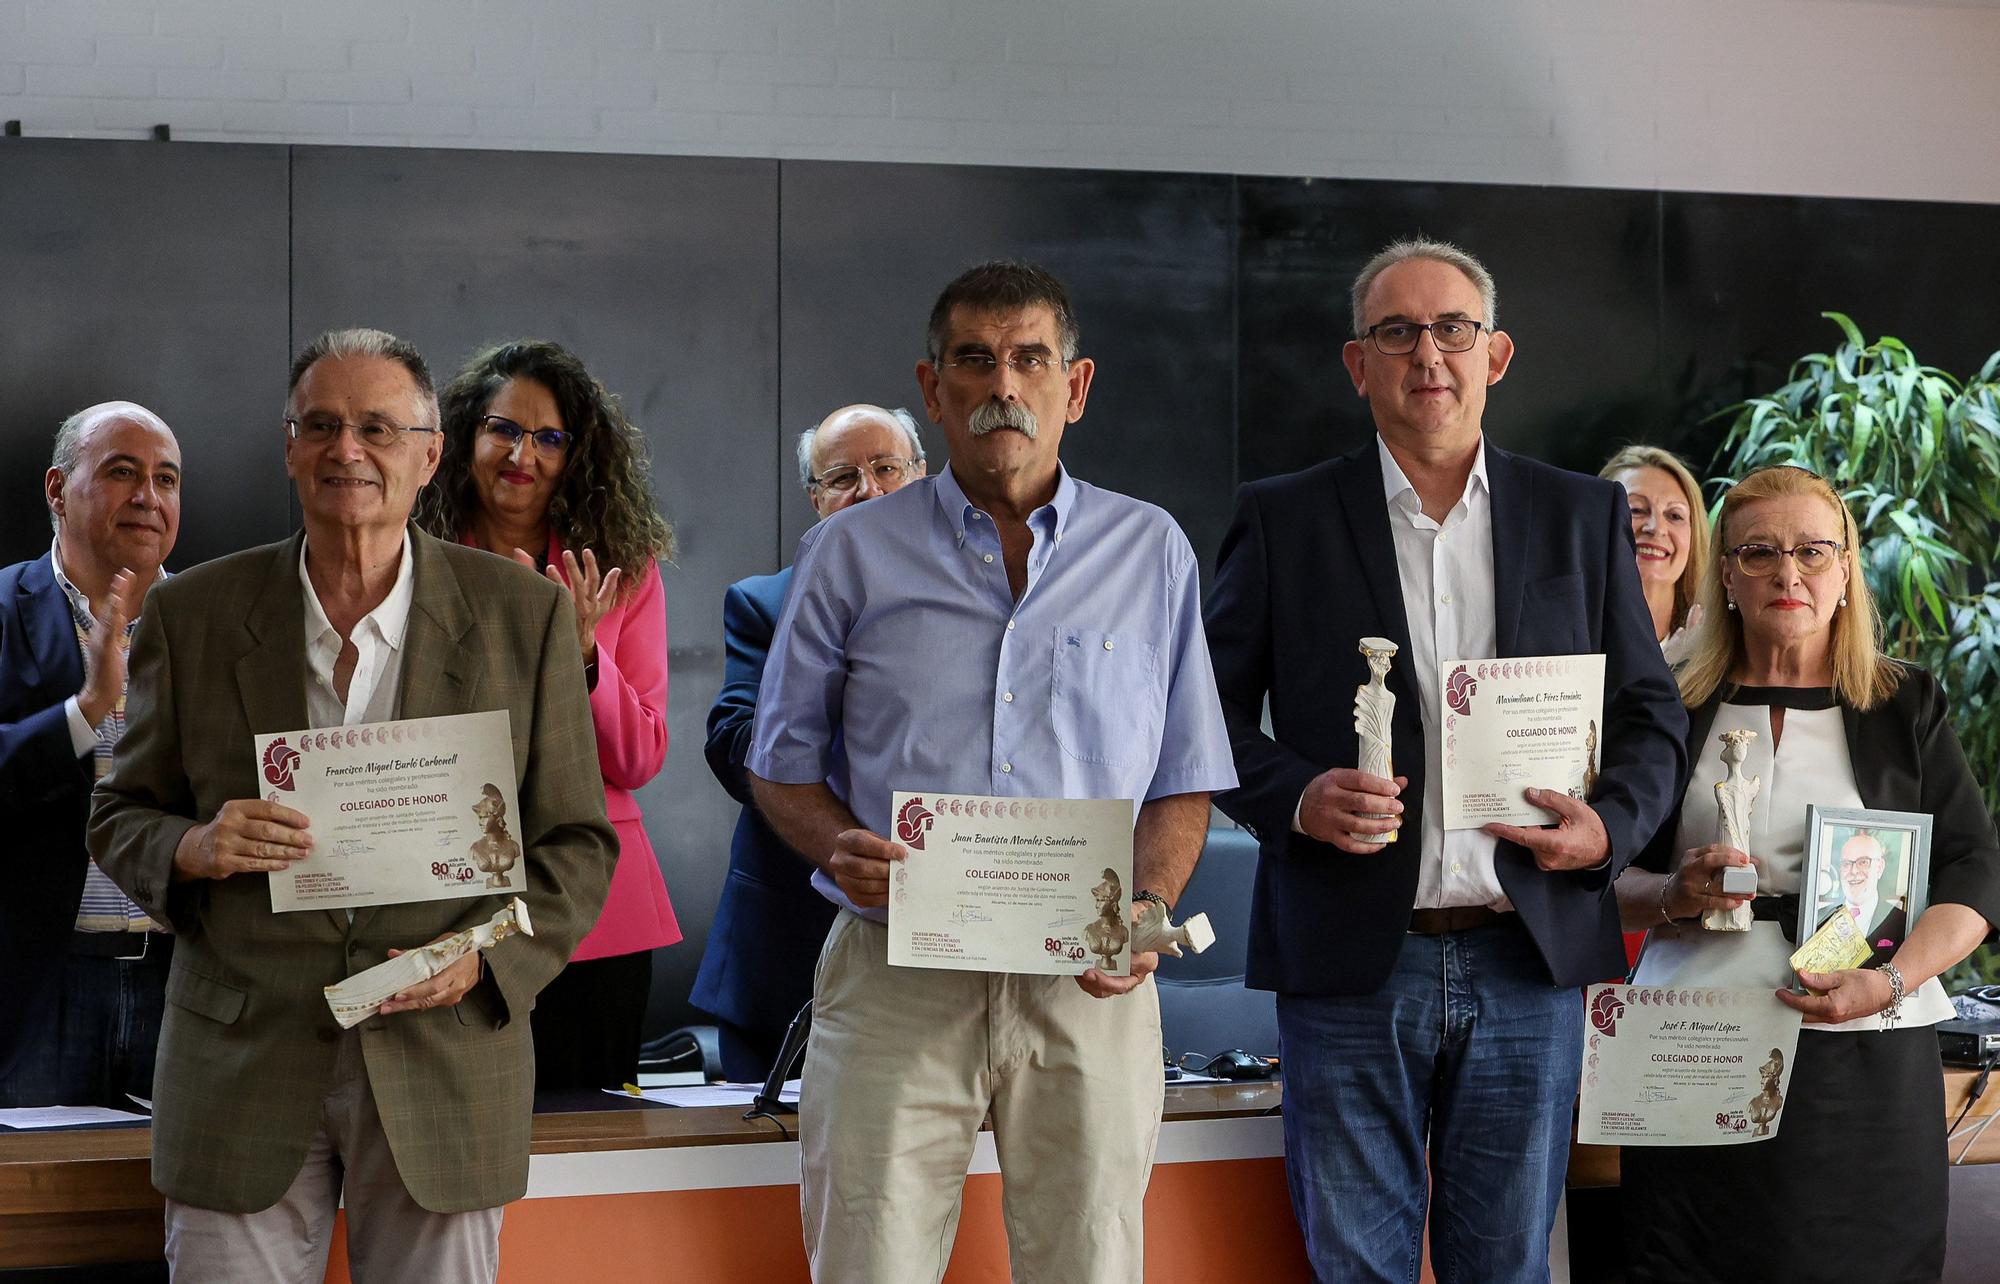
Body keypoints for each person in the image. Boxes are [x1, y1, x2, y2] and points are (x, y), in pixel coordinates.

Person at [1203, 237, 1688, 1282]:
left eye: (1451, 329)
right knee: (1354, 1266)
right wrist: (1295, 797)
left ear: (1494, 354)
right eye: (1397, 331)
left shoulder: (1579, 514)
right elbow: (1203, 714)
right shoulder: (1282, 516)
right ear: (1357, 362)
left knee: (1505, 1266)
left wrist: (1608, 829)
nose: (1428, 353)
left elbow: (1651, 716)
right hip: (1345, 965)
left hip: (1527, 955)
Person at [89, 328, 617, 1282]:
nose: (347, 450)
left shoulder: (522, 615)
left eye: (378, 427)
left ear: (428, 455)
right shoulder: (193, 614)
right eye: (321, 424)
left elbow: (577, 844)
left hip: (445, 1055)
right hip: (240, 1060)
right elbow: (120, 816)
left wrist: (483, 961)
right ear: (288, 448)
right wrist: (196, 846)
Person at [746, 261, 1236, 1281]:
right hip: (895, 973)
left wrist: (1145, 908)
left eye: (1028, 359)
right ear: (933, 389)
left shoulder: (1150, 552)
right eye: (973, 361)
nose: (1001, 385)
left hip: (1085, 984)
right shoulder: (849, 556)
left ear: (1076, 384)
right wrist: (840, 845)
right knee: (867, 1264)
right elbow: (779, 767)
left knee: (1088, 1266)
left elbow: (1184, 777)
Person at [1613, 463, 2000, 1283]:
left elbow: (1976, 868)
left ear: (1847, 567)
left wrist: (1892, 981)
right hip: (1691, 1040)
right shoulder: (1669, 704)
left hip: (1863, 1052)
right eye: (1759, 553)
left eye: (1813, 551)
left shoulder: (1905, 704)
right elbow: (1604, 872)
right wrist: (1668, 893)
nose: (1788, 573)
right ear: (1724, 574)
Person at [416, 339, 677, 1090]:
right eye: (502, 428)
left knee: (587, 1159)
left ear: (577, 454)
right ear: (464, 436)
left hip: (596, 913)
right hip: (446, 897)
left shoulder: (623, 567)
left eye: (549, 438)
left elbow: (637, 760)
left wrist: (583, 657)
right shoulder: (413, 558)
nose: (520, 453)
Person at [690, 403, 928, 1082]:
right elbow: (731, 741)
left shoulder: (983, 606)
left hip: (941, 939)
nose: (869, 490)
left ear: (924, 478)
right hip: (789, 946)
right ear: (816, 499)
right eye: (843, 477)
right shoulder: (766, 603)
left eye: (886, 468)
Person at [0, 402, 181, 1105]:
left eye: (166, 479)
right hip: (36, 989)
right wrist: (84, 713)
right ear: (56, 489)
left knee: (179, 1213)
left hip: (180, 986)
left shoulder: (215, 624)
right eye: (122, 472)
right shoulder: (5, 609)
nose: (148, 497)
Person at [1600, 444, 1712, 664]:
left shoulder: (1716, 644)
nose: (1656, 527)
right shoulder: (1563, 630)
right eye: (1636, 510)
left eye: (1674, 515)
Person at [1825, 830, 1907, 957]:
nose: (1854, 871)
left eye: (1863, 862)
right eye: (1846, 863)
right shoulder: (1819, 919)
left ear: (1879, 868)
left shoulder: (1902, 923)